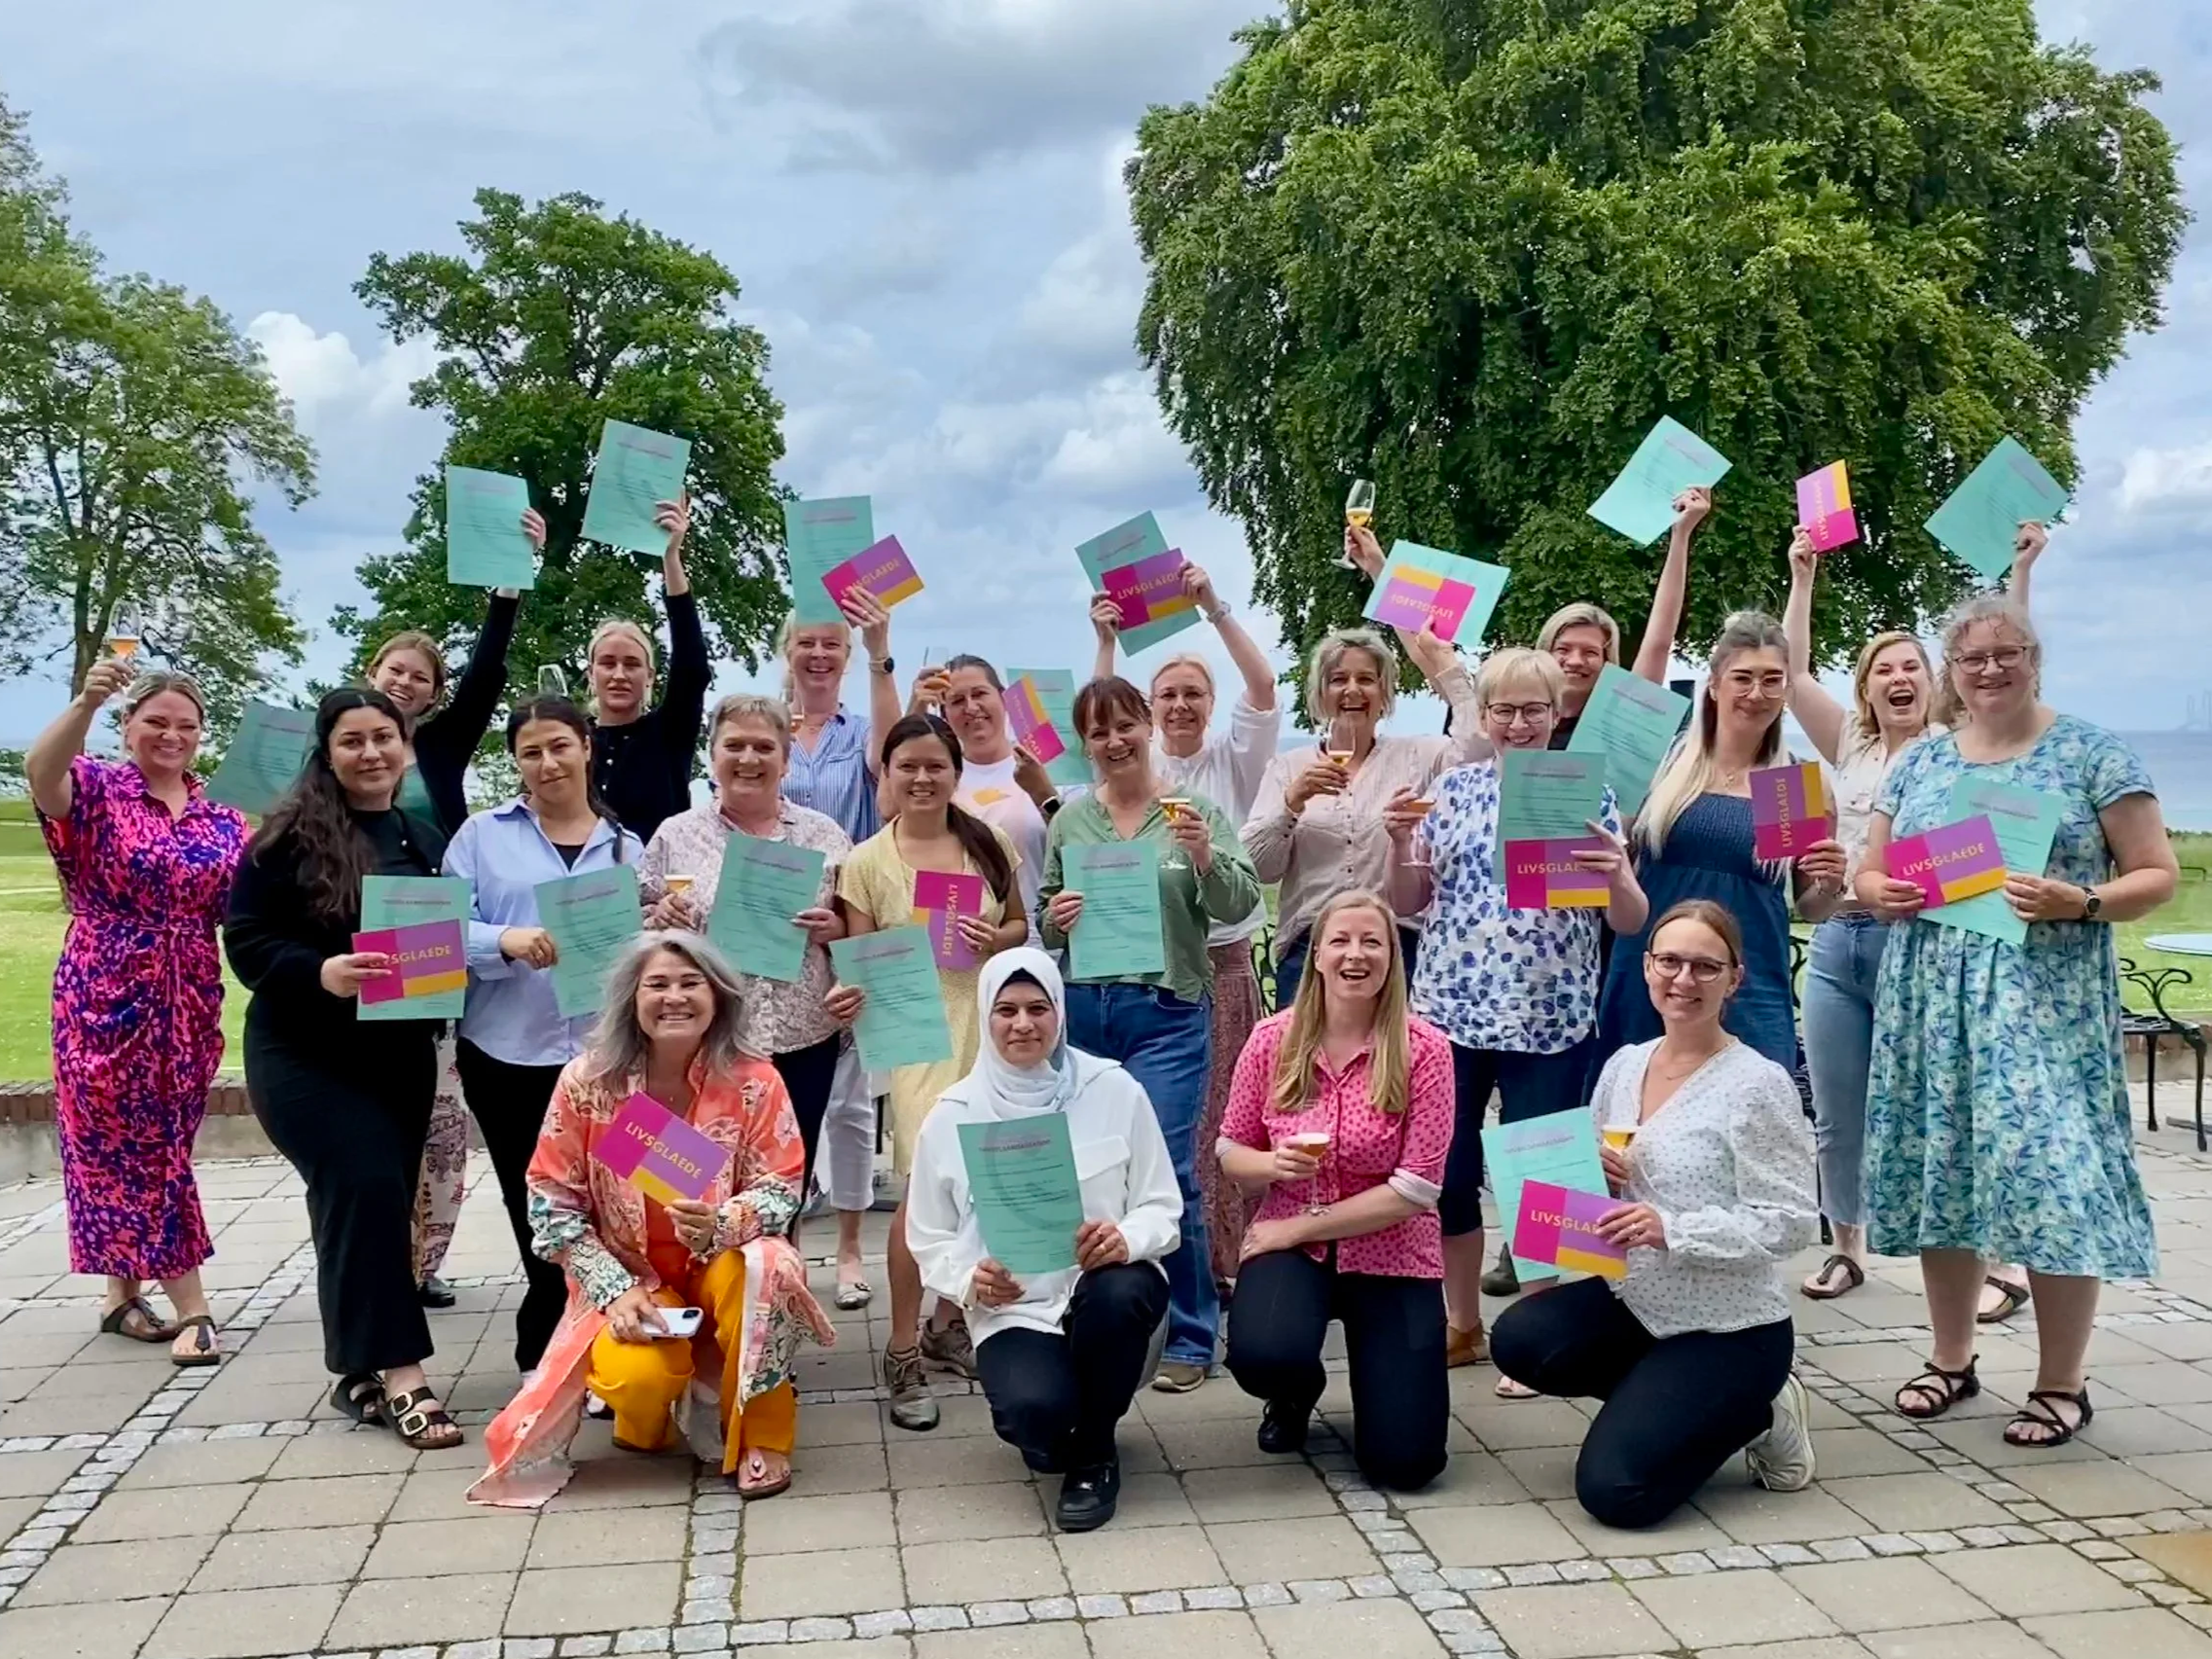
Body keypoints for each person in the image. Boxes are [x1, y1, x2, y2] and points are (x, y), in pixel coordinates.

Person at [1859, 595, 2176, 1448]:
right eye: (1971, 658)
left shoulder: (2091, 752)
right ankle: (1950, 1356)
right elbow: (1869, 869)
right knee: (1946, 1169)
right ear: (1951, 672)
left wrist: (2082, 899)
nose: (1990, 669)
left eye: (2007, 652)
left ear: (2034, 657)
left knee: (2051, 1175)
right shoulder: (1923, 760)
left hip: (2044, 1005)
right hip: (1932, 998)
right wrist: (1880, 889)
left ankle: (2060, 1380)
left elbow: (2155, 872)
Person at [470, 934, 835, 1505]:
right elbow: (549, 1200)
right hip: (634, 1277)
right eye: (657, 984)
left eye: (691, 983)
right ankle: (646, 1416)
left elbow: (782, 1185)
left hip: (721, 1265)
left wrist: (723, 1222)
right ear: (630, 999)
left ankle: (763, 1437)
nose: (675, 998)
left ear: (718, 996)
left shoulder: (755, 1079)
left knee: (771, 1267)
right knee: (636, 1378)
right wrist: (613, 1290)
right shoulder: (589, 1083)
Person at [1785, 523, 2046, 1314]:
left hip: (1924, 948)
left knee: (1955, 1106)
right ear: (1864, 688)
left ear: (1932, 681)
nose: (1896, 677)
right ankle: (1846, 1247)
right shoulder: (1848, 746)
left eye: (1909, 666)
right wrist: (1802, 576)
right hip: (1839, 943)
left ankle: (2002, 1262)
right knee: (1837, 1112)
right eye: (1881, 669)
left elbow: (2015, 665)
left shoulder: (1956, 746)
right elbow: (1791, 671)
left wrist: (2019, 571)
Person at [1492, 901, 1820, 1529]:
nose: (1683, 979)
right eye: (1669, 961)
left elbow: (1792, 1219)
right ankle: (1673, 1403)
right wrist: (1583, 1179)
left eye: (1705, 967)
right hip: (1634, 1301)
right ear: (1646, 967)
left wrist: (1673, 1230)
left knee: (1617, 1494)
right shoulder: (1625, 1066)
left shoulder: (1757, 1084)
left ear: (1734, 978)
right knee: (1520, 1340)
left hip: (1728, 1325)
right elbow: (1592, 1198)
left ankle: (1760, 1411)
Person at [1387, 649, 1650, 1368]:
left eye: (1533, 708)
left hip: (1549, 1014)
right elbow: (1408, 902)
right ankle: (1462, 1321)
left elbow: (1629, 920)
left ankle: (1542, 1334)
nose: (1518, 723)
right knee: (1447, 1170)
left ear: (1556, 713)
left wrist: (1617, 874)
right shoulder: (1452, 788)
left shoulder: (1584, 793)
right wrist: (1398, 843)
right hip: (1452, 1009)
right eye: (1502, 709)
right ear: (1483, 715)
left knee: (1548, 1175)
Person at [223, 689, 460, 1448]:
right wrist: (319, 971)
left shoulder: (423, 836)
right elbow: (246, 941)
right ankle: (402, 1373)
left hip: (397, 1053)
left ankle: (355, 1370)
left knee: (364, 1206)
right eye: (352, 740)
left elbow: (447, 938)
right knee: (363, 1185)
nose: (370, 752)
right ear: (327, 752)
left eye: (383, 736)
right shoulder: (284, 840)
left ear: (405, 744)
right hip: (304, 1054)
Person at [906, 949, 1180, 1530]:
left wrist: (1125, 1238)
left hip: (1106, 1290)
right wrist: (969, 1280)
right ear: (986, 1015)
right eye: (1006, 1010)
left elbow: (1162, 1205)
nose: (1023, 1024)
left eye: (1038, 1008)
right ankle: (1059, 1424)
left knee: (1119, 1293)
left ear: (1060, 1010)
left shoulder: (1114, 1090)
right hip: (1015, 1306)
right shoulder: (952, 1115)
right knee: (1035, 1418)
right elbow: (927, 1236)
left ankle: (1097, 1452)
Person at [1039, 675, 1261, 1392]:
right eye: (1097, 732)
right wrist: (1057, 918)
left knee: (1170, 1170)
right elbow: (1045, 916)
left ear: (1147, 726)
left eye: (1123, 725)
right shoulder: (1071, 821)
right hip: (1086, 1011)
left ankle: (1193, 1334)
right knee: (1088, 1170)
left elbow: (1238, 902)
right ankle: (1090, 1319)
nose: (1114, 742)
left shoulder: (1193, 811)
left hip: (1166, 1011)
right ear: (1086, 744)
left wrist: (1203, 856)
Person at [28, 662, 249, 1364]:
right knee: (131, 1142)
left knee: (160, 1142)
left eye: (186, 725)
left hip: (190, 998)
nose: (171, 735)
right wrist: (87, 700)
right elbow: (40, 773)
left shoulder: (223, 816)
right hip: (105, 992)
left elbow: (251, 901)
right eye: (156, 721)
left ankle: (119, 1297)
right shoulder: (95, 789)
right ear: (128, 726)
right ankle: (194, 1305)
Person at [829, 714, 1029, 1429]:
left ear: (955, 772)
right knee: (922, 1192)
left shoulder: (988, 841)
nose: (921, 778)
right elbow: (858, 962)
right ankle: (902, 1348)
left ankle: (949, 1325)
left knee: (982, 1185)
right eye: (906, 766)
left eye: (935, 766)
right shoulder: (865, 862)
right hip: (915, 1035)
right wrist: (848, 992)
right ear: (885, 774)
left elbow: (1020, 926)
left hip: (988, 1028)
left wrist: (994, 937)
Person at [1218, 892, 1455, 1491]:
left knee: (1407, 1466)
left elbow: (1416, 1188)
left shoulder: (1426, 1049)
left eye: (1372, 942)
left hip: (1390, 1247)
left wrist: (1296, 1226)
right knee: (1263, 1355)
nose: (1356, 955)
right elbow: (1230, 1151)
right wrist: (1272, 1165)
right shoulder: (1272, 1040)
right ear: (1317, 954)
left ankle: (1384, 1387)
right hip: (1295, 1247)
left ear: (1392, 957)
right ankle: (1295, 1390)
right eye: (1341, 941)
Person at [371, 507, 544, 1307]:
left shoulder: (440, 747)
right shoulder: (335, 745)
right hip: (360, 936)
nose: (405, 683)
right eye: (395, 670)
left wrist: (509, 582)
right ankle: (380, 1260)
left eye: (420, 677)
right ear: (373, 672)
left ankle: (422, 1258)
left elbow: (485, 673)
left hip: (429, 934)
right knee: (378, 1109)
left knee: (438, 1111)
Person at [1092, 562, 1282, 1293]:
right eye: (1166, 695)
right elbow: (1098, 719)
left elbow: (1262, 687)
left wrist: (1212, 606)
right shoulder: (1126, 774)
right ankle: (1170, 1262)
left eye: (1192, 693)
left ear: (1210, 704)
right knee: (1164, 1123)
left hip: (1219, 965)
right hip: (1146, 966)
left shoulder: (1233, 760)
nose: (1179, 705)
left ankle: (1230, 1263)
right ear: (1148, 710)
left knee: (1224, 1121)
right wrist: (1106, 641)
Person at [442, 699, 642, 1374]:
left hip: (605, 1058)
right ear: (516, 762)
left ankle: (603, 1343)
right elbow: (437, 930)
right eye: (531, 752)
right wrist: (503, 939)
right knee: (536, 1204)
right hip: (507, 1051)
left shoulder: (626, 846)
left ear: (586, 746)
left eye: (559, 745)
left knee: (613, 1200)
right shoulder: (480, 835)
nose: (548, 762)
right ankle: (548, 1350)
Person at [1595, 613, 1848, 1069]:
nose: (1757, 693)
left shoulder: (1794, 782)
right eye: (1743, 678)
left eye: (1772, 680)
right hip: (1652, 977)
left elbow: (1810, 908)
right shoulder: (1665, 764)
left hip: (1747, 985)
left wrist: (1830, 884)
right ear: (1714, 684)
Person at [640, 696, 852, 1196]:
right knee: (689, 1182)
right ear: (712, 755)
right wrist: (659, 917)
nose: (749, 759)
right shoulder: (676, 835)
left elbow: (858, 925)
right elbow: (638, 921)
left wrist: (837, 929)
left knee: (785, 1185)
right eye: (734, 746)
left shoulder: (824, 835)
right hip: (704, 1040)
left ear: (786, 759)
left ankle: (780, 1251)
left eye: (764, 747)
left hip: (803, 1040)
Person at [1243, 613, 1481, 1007]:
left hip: (1396, 946)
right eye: (1339, 679)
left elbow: (1478, 748)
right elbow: (1256, 867)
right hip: (1310, 949)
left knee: (1395, 1049)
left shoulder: (1418, 756)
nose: (1353, 690)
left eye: (1366, 679)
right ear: (1320, 693)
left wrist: (1444, 661)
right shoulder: (1288, 767)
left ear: (1385, 693)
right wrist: (1291, 803)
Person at [780, 591, 910, 1311]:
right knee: (781, 1105)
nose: (820, 653)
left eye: (833, 642)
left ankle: (854, 1249)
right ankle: (788, 1247)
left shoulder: (860, 731)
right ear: (788, 651)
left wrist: (880, 647)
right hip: (775, 939)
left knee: (852, 1107)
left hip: (847, 926)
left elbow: (892, 772)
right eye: (808, 641)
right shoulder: (767, 729)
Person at [1532, 487, 1708, 745]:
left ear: (1607, 663)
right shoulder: (1515, 718)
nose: (1575, 661)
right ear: (1543, 652)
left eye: (1591, 652)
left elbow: (1658, 642)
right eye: (1563, 649)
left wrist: (1681, 534)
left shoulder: (1619, 719)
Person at [908, 654, 1064, 924]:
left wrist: (1043, 795)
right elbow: (894, 815)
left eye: (979, 693)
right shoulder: (937, 778)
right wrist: (915, 709)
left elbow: (1075, 848)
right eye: (957, 701)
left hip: (1041, 930)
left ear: (1004, 699)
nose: (971, 707)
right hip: (963, 933)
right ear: (944, 714)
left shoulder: (1046, 763)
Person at [589, 495, 708, 843]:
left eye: (632, 664)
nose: (619, 675)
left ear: (650, 676)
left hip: (660, 875)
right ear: (591, 674)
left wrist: (671, 558)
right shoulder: (572, 739)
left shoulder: (668, 732)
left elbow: (692, 667)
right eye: (607, 663)